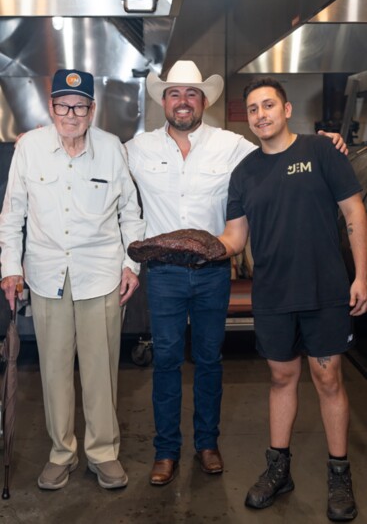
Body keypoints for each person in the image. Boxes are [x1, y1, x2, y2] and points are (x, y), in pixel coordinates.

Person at [124, 60, 347, 486]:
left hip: (212, 271)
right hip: (165, 274)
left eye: (192, 94)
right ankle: (166, 451)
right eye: (174, 93)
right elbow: (93, 153)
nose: (183, 101)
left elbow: (280, 149)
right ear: (163, 101)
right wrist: (38, 140)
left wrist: (326, 142)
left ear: (203, 101)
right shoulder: (137, 148)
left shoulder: (233, 145)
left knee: (209, 361)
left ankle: (208, 444)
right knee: (167, 362)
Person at [219, 77, 367, 521]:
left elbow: (354, 211)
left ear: (286, 110)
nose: (261, 114)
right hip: (273, 293)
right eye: (253, 109)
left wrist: (362, 275)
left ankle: (339, 475)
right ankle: (278, 469)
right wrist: (198, 246)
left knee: (329, 380)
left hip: (325, 290)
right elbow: (234, 236)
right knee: (281, 378)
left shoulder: (322, 152)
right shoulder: (244, 172)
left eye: (268, 105)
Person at [0, 69, 146, 491]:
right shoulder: (29, 149)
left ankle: (104, 453)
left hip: (100, 275)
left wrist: (131, 266)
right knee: (54, 372)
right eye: (63, 105)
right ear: (51, 107)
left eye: (80, 106)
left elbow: (131, 212)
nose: (71, 114)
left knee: (101, 372)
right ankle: (61, 453)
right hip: (46, 277)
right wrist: (11, 267)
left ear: (92, 110)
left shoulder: (111, 148)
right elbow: (13, 214)